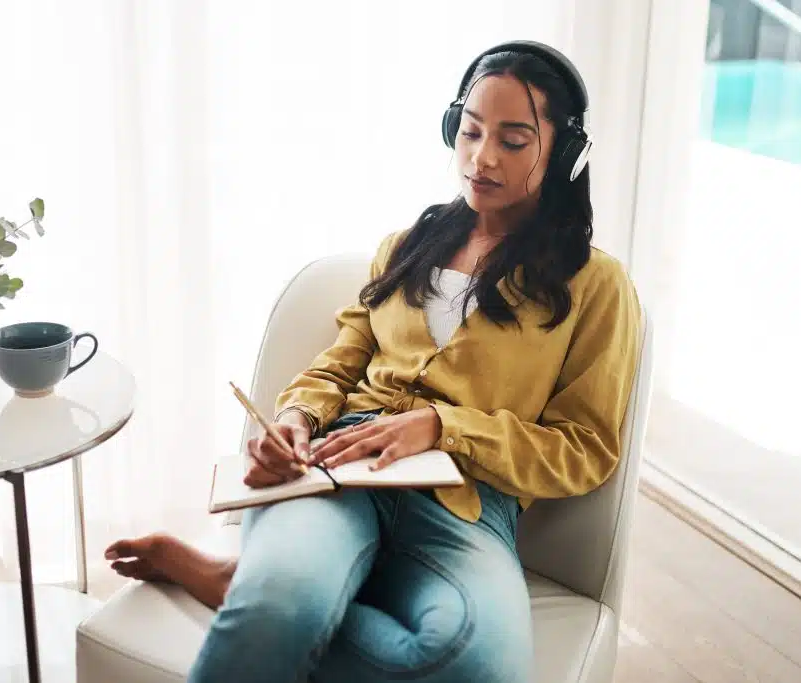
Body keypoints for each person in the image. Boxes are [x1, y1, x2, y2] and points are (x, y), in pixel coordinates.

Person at [104, 40, 641, 683]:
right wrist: (297, 419)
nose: (482, 156)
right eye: (469, 131)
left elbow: (585, 448)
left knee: (476, 666)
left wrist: (444, 427)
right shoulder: (404, 247)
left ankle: (239, 586)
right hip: (339, 467)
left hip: (463, 502)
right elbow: (336, 367)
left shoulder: (597, 285)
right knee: (282, 603)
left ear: (564, 154)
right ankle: (272, 596)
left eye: (514, 139)